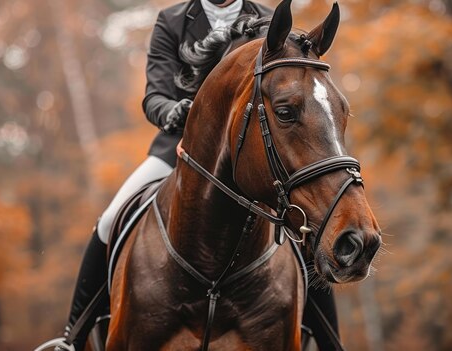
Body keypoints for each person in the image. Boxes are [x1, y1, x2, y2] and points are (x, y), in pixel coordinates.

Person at [41, 0, 341, 349]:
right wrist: (172, 110)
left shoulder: (270, 20)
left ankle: (331, 342)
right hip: (180, 146)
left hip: (248, 154)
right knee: (109, 221)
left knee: (302, 232)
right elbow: (154, 95)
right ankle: (71, 340)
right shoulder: (171, 20)